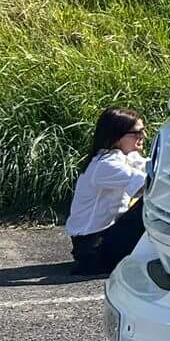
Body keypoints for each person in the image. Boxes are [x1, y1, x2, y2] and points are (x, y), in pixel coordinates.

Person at [66, 107, 149, 276]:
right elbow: (149, 184)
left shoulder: (124, 155)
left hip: (100, 240)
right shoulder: (106, 165)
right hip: (93, 248)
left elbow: (149, 166)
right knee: (150, 202)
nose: (144, 135)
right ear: (117, 137)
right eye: (137, 132)